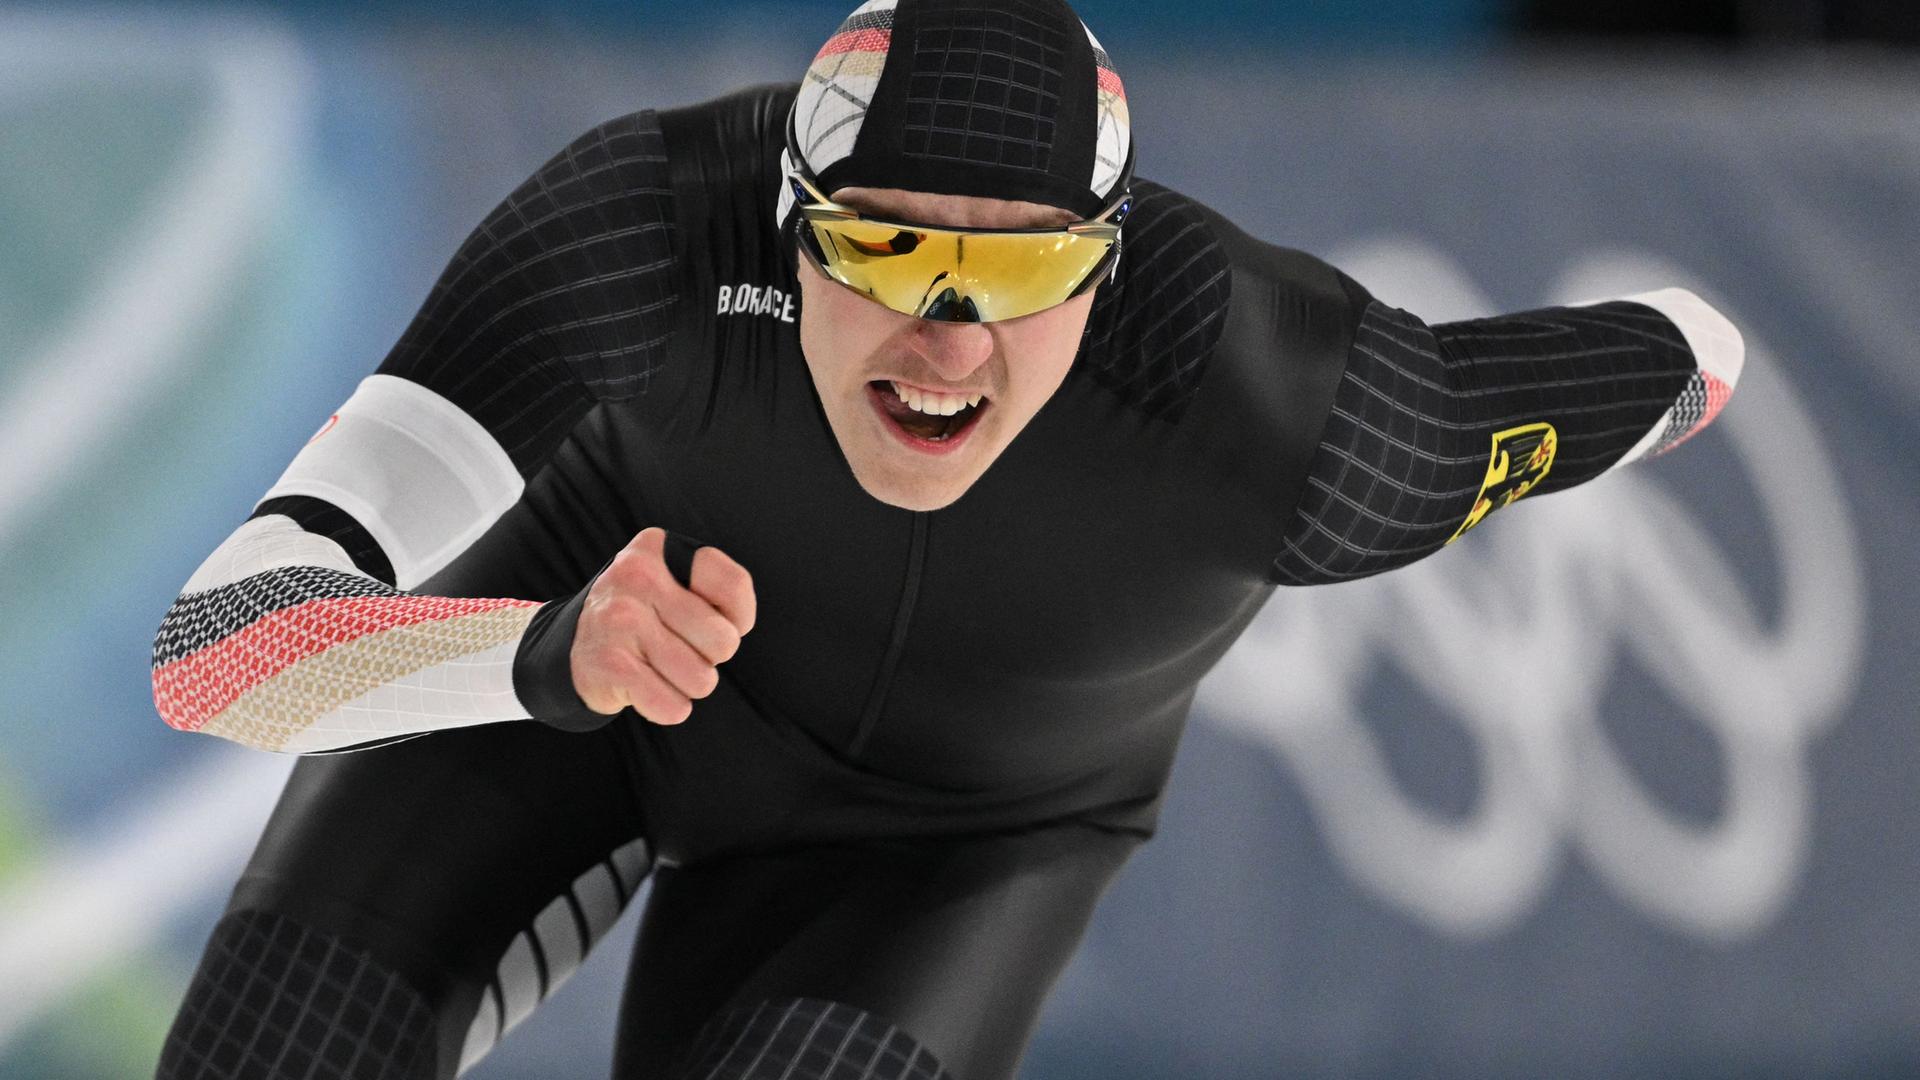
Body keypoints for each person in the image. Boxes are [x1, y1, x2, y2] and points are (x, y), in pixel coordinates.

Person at [148, 0, 1744, 1077]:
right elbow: (212, 657)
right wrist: (536, 650)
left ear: (1109, 272)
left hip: (949, 846)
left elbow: (1655, 361)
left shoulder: (1294, 412)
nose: (949, 343)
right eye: (887, 250)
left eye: (1026, 275)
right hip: (567, 684)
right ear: (786, 223)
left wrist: (1700, 344)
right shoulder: (646, 227)